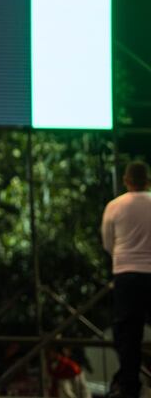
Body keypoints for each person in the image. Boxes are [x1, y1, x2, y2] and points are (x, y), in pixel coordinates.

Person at [101, 160, 151, 398]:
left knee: (128, 333)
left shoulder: (114, 206)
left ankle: (129, 386)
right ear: (148, 181)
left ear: (126, 180)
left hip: (126, 274)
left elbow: (108, 243)